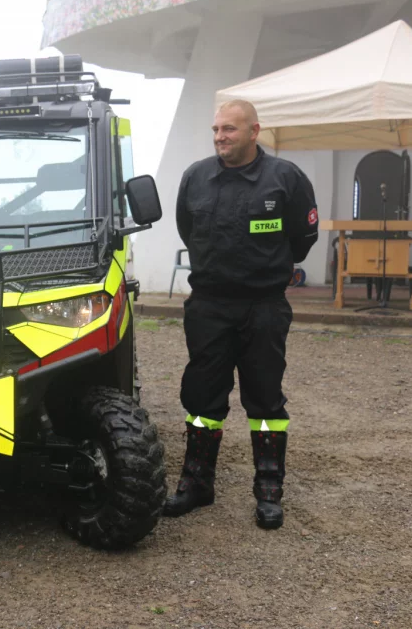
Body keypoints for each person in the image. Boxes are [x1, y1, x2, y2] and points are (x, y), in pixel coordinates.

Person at [168, 100, 319, 530]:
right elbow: (186, 228)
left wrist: (267, 270)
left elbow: (304, 236)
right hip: (209, 306)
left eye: (229, 130)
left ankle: (269, 492)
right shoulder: (195, 177)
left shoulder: (285, 178)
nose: (220, 137)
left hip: (264, 306)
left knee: (265, 399)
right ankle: (197, 484)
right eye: (216, 130)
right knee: (201, 399)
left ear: (255, 131)